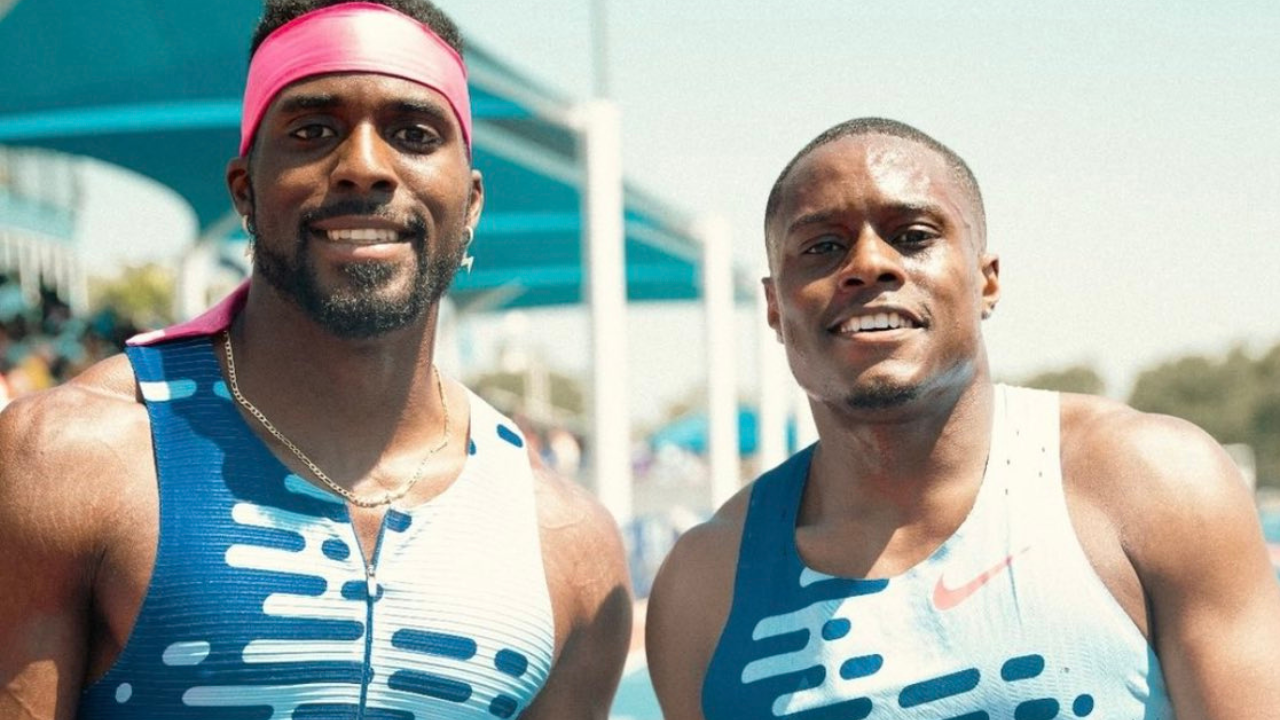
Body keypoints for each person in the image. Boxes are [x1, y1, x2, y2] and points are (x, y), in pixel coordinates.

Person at [0, 1, 632, 718]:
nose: (364, 166)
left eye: (414, 134)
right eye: (313, 131)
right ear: (245, 190)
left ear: (472, 202)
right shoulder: (74, 461)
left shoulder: (565, 543)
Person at [646, 117, 1280, 718]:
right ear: (774, 308)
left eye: (914, 236)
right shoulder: (707, 582)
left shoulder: (1150, 484)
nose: (868, 265)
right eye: (824, 246)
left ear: (987, 282)